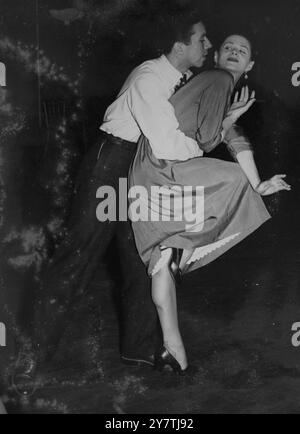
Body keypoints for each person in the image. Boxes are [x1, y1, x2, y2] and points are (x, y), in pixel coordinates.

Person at [13, 8, 213, 389]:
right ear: (178, 45)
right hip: (113, 164)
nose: (208, 45)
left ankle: (138, 349)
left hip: (141, 167)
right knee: (79, 254)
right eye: (201, 39)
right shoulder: (150, 78)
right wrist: (201, 144)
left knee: (142, 257)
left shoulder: (184, 80)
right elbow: (169, 142)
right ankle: (29, 358)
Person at [128, 34, 291, 374]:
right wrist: (256, 182)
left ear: (250, 66)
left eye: (241, 50)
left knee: (161, 263)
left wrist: (256, 176)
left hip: (147, 172)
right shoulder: (217, 79)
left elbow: (232, 138)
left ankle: (173, 350)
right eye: (228, 47)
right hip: (164, 168)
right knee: (234, 182)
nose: (234, 52)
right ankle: (183, 251)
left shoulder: (212, 84)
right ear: (216, 55)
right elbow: (207, 140)